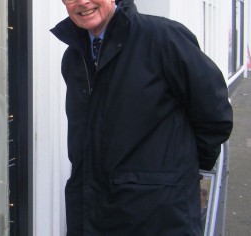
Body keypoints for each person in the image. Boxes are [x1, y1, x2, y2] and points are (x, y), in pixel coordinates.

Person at [50, 0, 233, 235]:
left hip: (158, 217)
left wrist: (177, 175)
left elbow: (214, 114)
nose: (83, 2)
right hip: (93, 213)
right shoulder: (74, 56)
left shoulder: (162, 38)